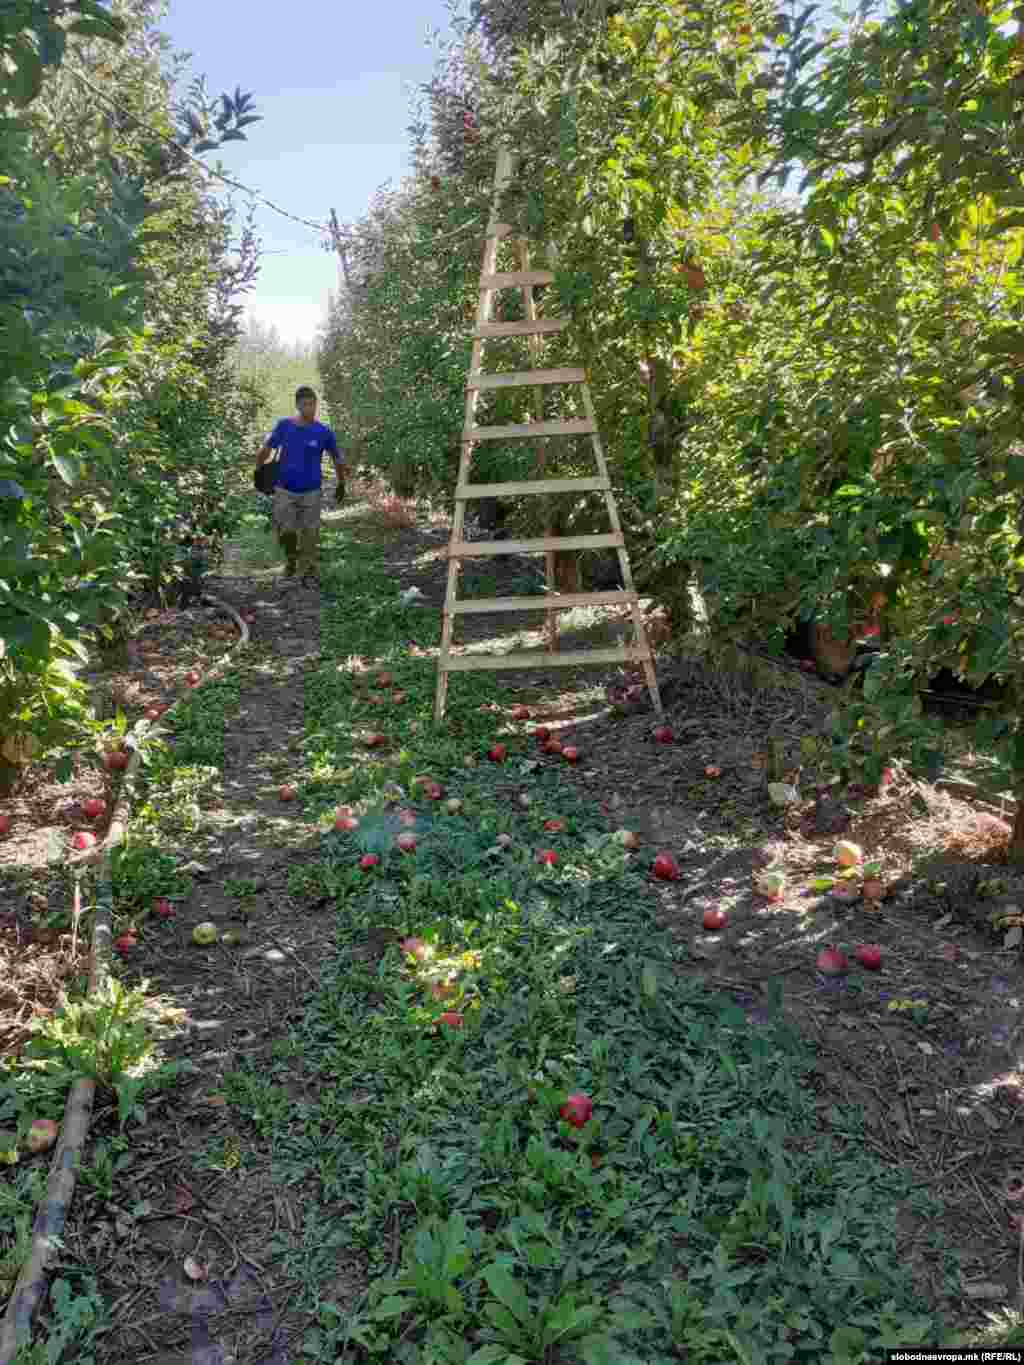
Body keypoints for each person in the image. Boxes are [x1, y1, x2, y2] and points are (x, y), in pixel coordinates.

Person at [254, 386, 345, 588]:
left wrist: (341, 483)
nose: (310, 408)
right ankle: (291, 558)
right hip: (284, 489)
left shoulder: (323, 432)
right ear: (297, 405)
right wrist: (258, 471)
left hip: (311, 490)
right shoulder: (284, 426)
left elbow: (337, 458)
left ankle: (309, 570)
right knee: (286, 530)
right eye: (305, 404)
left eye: (313, 404)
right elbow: (266, 449)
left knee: (310, 532)